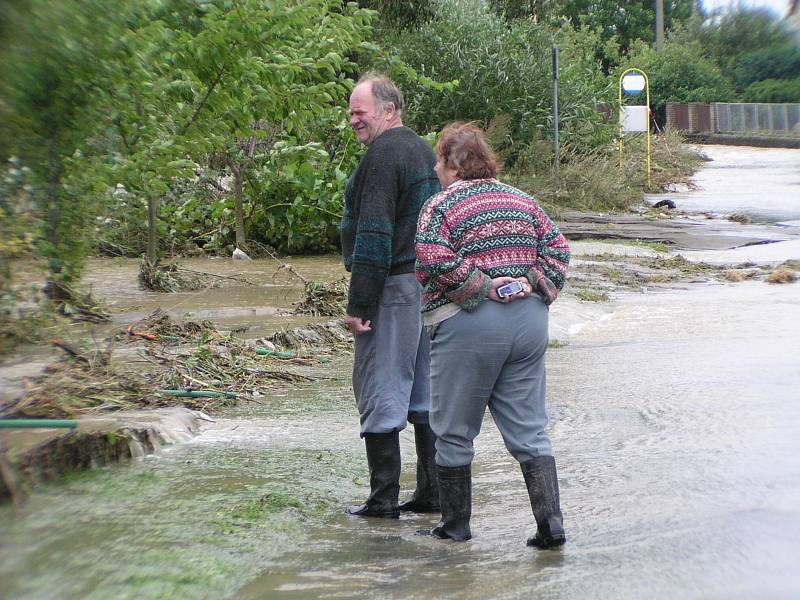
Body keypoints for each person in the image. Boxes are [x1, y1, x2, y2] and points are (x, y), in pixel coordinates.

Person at [415, 122, 570, 547]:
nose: (435, 166)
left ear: (451, 162)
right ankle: (551, 526)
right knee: (530, 427)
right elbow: (558, 250)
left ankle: (455, 526)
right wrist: (530, 283)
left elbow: (430, 258)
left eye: (438, 159)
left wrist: (481, 286)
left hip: (469, 323)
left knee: (453, 428)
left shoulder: (441, 205)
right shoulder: (524, 200)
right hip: (529, 322)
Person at [341, 73, 442, 518]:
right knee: (422, 389)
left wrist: (360, 301)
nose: (353, 121)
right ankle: (432, 492)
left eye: (359, 112)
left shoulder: (383, 155)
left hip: (394, 287)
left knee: (380, 382)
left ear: (388, 110)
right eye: (350, 113)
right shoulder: (421, 148)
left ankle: (383, 500)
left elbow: (375, 231)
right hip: (427, 284)